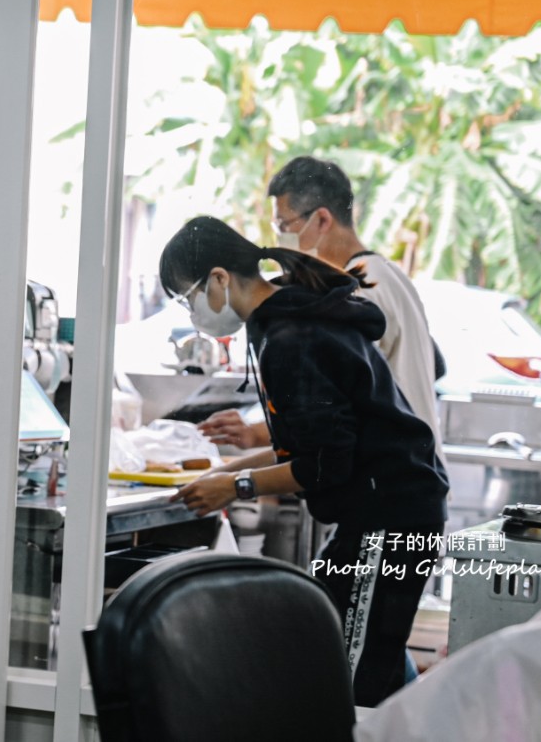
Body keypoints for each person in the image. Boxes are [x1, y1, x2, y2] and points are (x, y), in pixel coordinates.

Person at [162, 216, 448, 707]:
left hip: (392, 517)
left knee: (351, 670)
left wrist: (235, 488)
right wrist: (222, 472)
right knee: (344, 638)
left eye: (186, 299)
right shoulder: (284, 325)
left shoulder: (292, 339)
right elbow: (309, 444)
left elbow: (325, 465)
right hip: (381, 513)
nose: (192, 315)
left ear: (218, 279)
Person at [200, 157, 444, 468]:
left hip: (392, 480)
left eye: (284, 225)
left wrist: (252, 441)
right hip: (411, 472)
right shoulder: (384, 274)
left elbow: (340, 411)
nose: (280, 239)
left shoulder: (358, 290)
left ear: (322, 220)